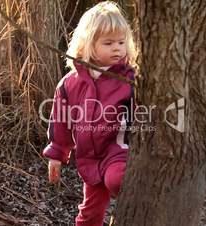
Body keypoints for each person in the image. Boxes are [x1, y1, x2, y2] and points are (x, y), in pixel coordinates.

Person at [42, 1, 137, 226]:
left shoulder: (129, 79)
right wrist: (57, 154)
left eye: (122, 42)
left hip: (118, 150)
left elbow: (142, 113)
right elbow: (61, 122)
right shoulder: (70, 84)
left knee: (116, 180)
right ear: (88, 44)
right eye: (108, 43)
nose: (117, 48)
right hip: (90, 159)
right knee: (89, 215)